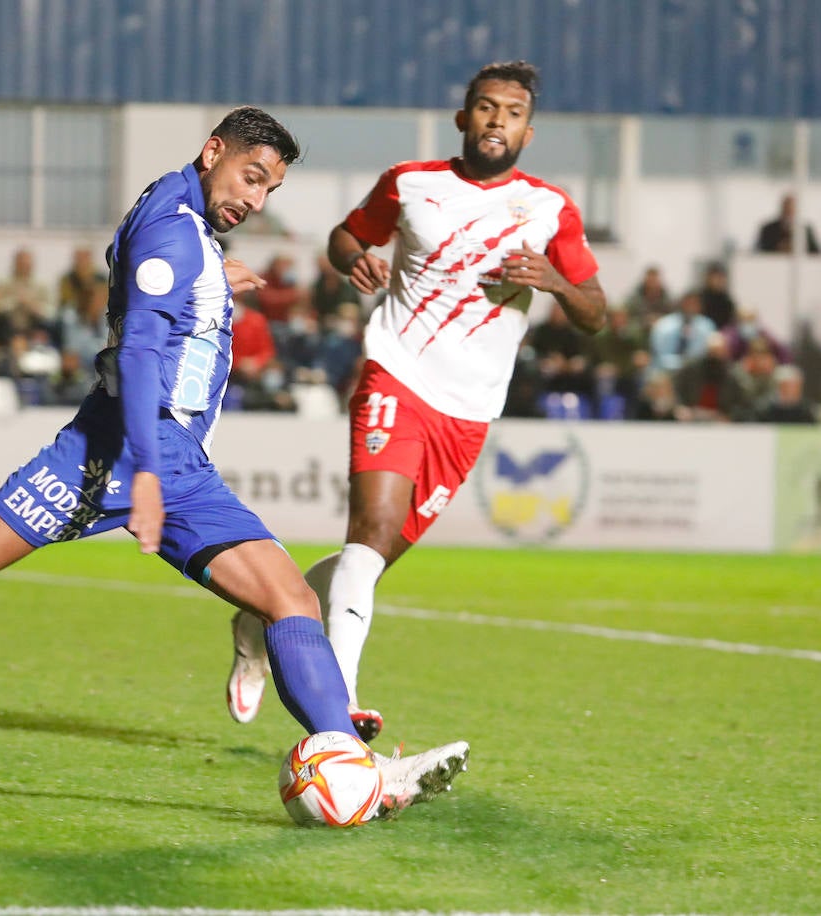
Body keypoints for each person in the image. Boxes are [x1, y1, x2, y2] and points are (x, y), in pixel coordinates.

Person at [0, 106, 470, 816]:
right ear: (212, 150)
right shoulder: (172, 228)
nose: (253, 200)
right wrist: (149, 476)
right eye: (250, 178)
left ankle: (358, 765)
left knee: (291, 599)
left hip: (176, 460)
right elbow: (136, 355)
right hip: (115, 452)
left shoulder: (187, 221)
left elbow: (163, 289)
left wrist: (219, 284)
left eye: (267, 191)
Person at [225, 62, 606, 742]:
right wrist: (352, 260)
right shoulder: (412, 183)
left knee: (370, 558)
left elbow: (597, 314)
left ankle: (258, 621)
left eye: (511, 112)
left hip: (469, 410)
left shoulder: (551, 210)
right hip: (396, 372)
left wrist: (553, 281)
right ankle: (335, 713)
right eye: (485, 108)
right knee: (369, 533)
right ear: (463, 118)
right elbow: (347, 236)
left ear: (528, 129)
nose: (496, 120)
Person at [754, 193, 821, 255]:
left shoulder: (805, 230)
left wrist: (798, 249)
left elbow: (817, 253)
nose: (789, 211)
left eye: (792, 208)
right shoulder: (768, 229)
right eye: (786, 207)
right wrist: (778, 248)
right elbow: (758, 250)